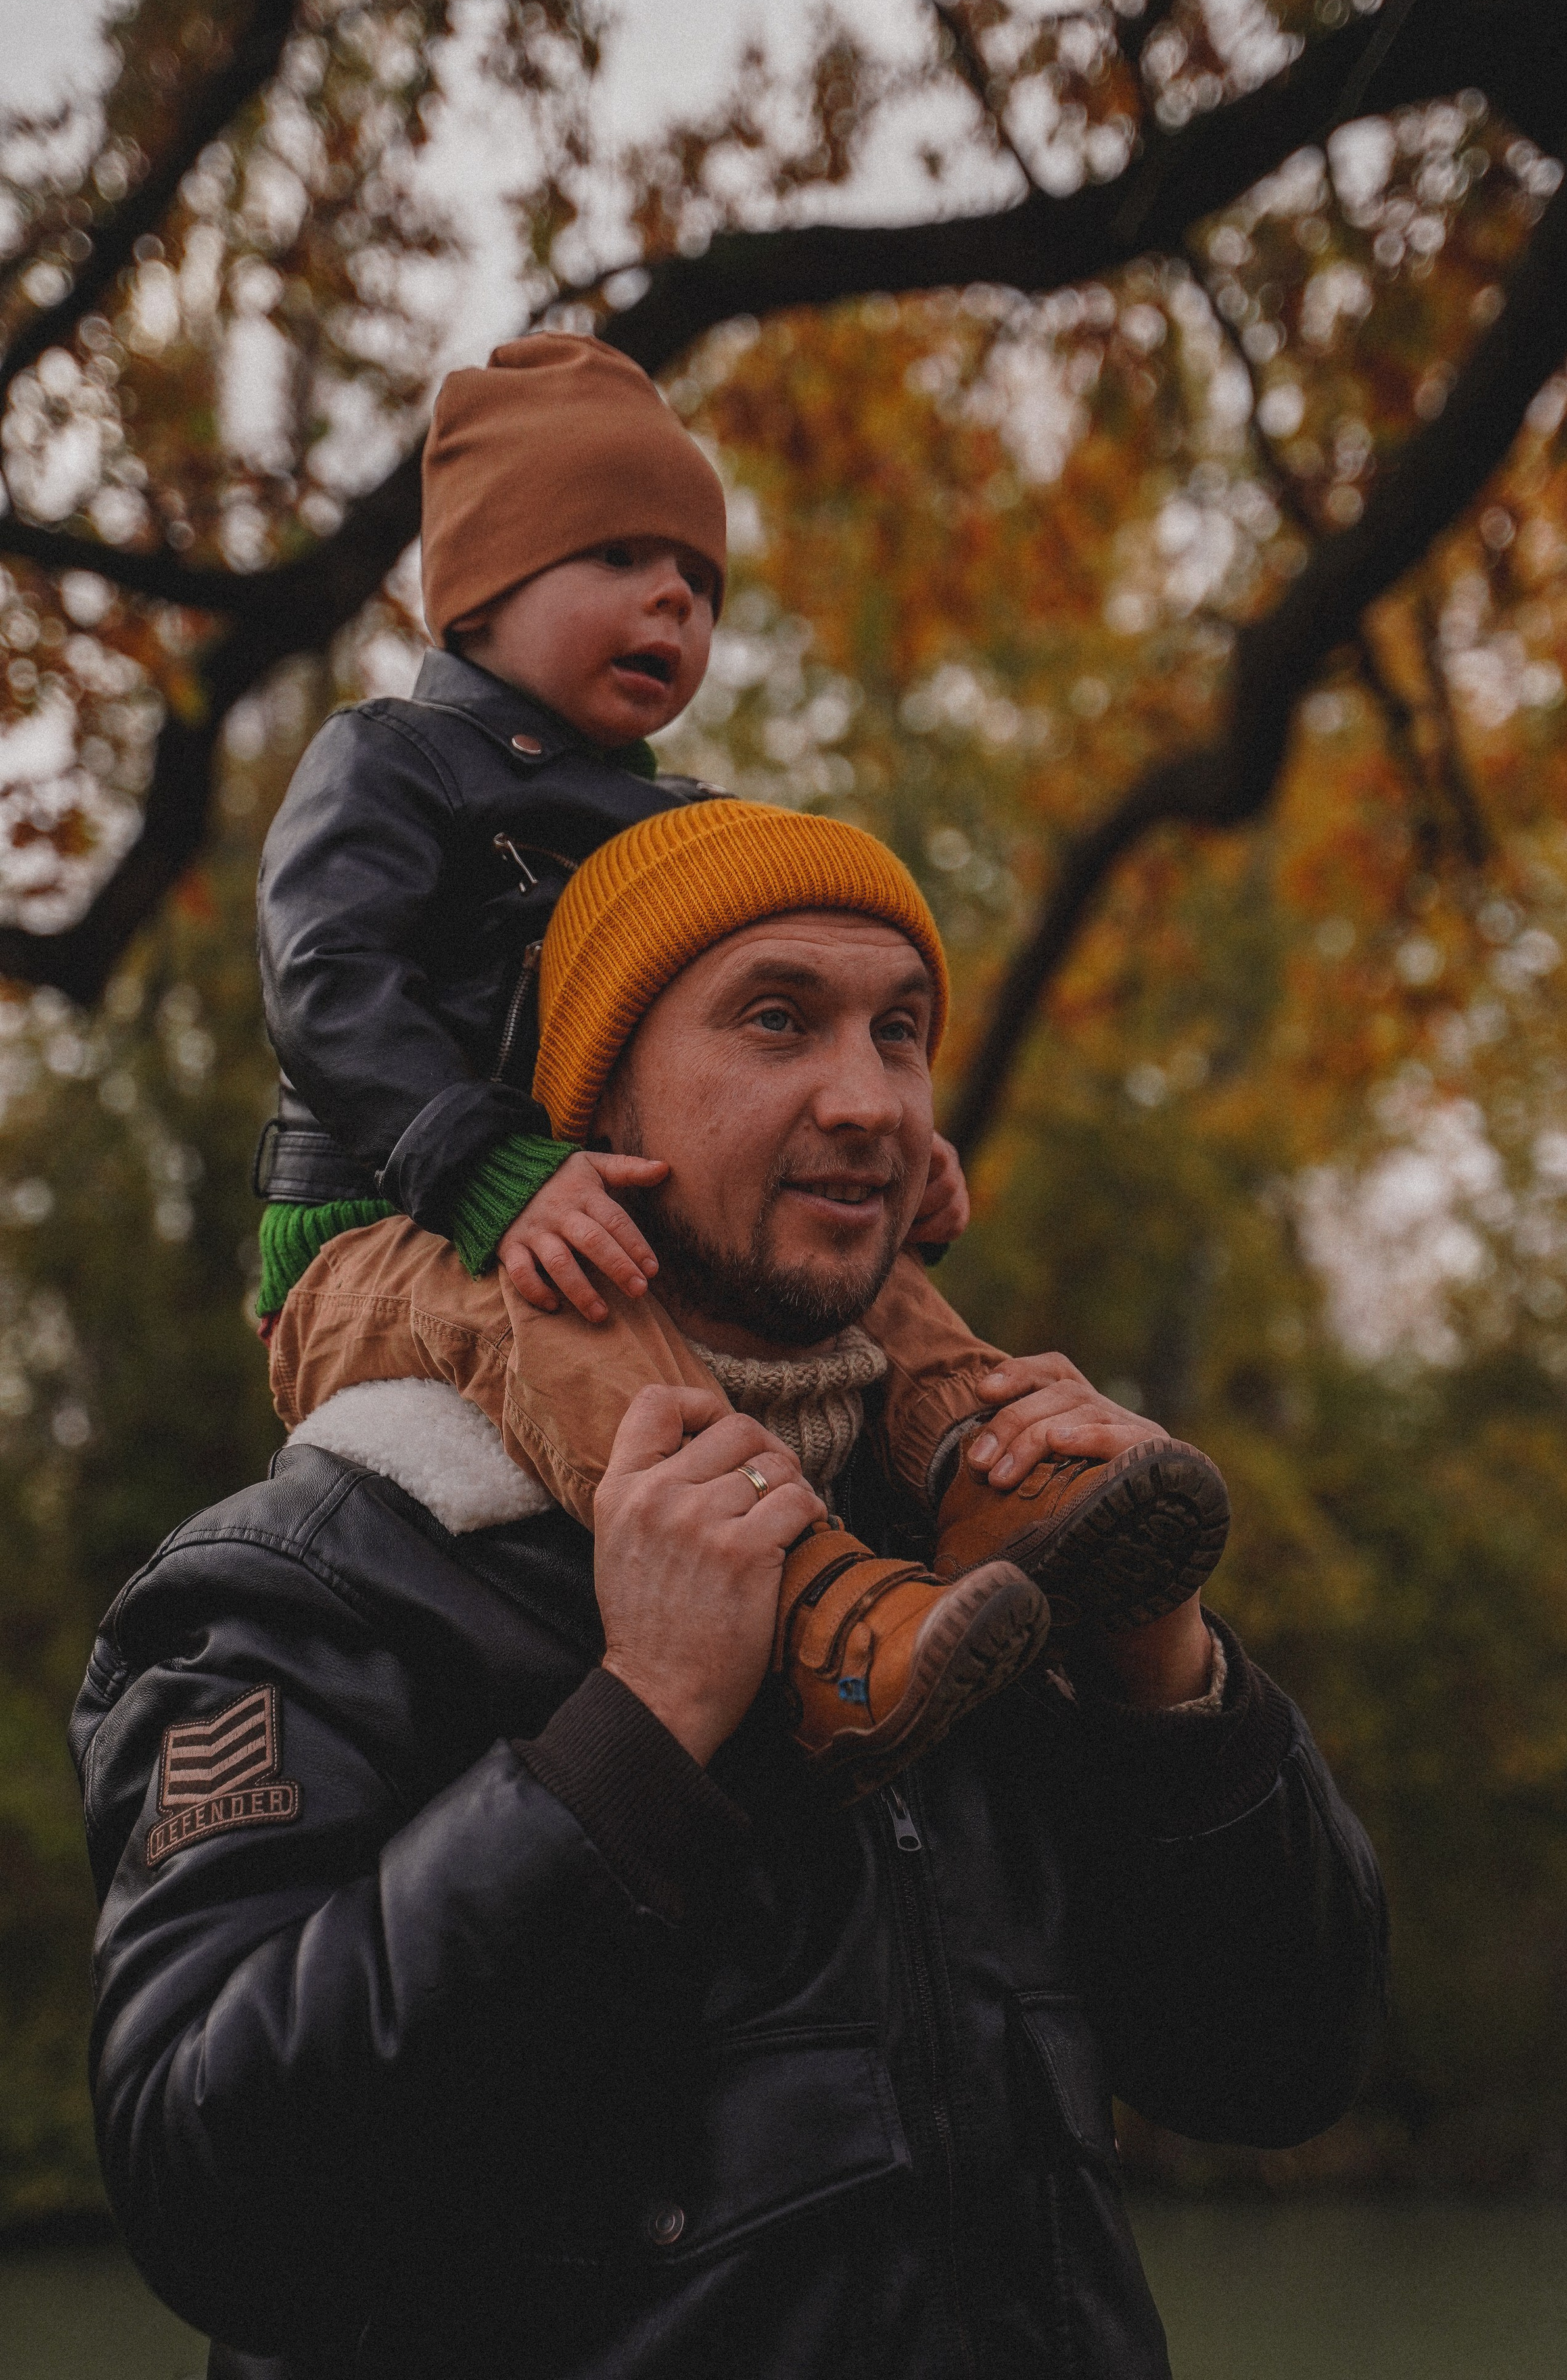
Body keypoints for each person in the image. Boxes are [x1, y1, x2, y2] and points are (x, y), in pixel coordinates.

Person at [75, 814, 1389, 2380]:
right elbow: (217, 2206)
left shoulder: (974, 1545)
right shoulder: (314, 1574)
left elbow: (1276, 2072)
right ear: (590, 1103)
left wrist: (1154, 1668)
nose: (866, 1100)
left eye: (899, 1032)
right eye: (777, 1019)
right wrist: (635, 1735)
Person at [254, 335, 1227, 1790]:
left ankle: (991, 1470)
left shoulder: (678, 824)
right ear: (478, 590)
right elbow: (326, 982)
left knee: (860, 1267)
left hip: (578, 1193)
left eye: (699, 584)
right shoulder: (395, 761)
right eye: (619, 557)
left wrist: (891, 1136)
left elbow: (779, 1029)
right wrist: (481, 1162)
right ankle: (816, 1612)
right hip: (383, 1230)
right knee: (565, 1301)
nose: (672, 601)